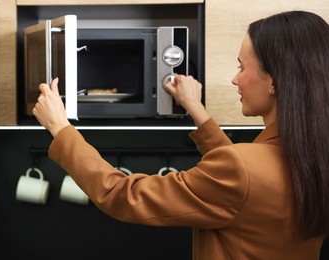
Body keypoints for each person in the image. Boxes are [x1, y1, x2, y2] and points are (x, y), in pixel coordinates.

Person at [32, 10, 329, 259]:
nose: (235, 78)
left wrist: (61, 129)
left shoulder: (244, 169)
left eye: (242, 66)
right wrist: (196, 110)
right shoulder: (312, 157)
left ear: (274, 80)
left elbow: (123, 195)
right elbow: (244, 184)